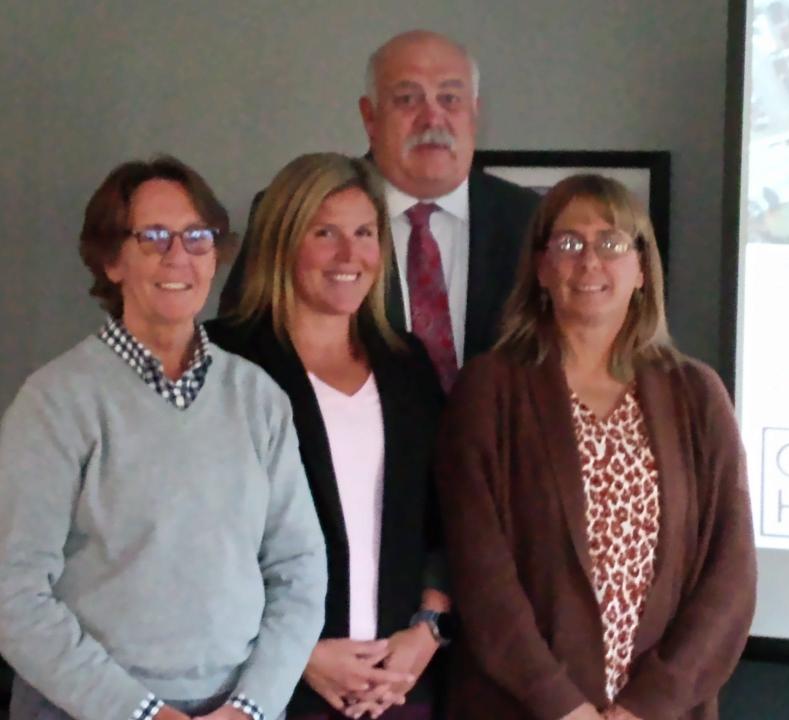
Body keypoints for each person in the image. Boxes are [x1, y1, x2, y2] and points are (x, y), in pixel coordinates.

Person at [0, 157, 327, 720]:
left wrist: (251, 708)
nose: (179, 256)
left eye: (197, 236)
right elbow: (13, 595)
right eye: (152, 237)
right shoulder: (55, 402)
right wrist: (143, 714)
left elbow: (299, 571)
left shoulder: (258, 398)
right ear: (111, 260)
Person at [435, 175, 757, 720]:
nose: (590, 261)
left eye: (611, 243)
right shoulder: (489, 390)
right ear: (540, 268)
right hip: (519, 707)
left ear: (640, 269)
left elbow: (730, 574)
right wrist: (563, 706)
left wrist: (646, 706)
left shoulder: (696, 395)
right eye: (568, 243)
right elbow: (480, 572)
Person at [207, 153, 450, 720]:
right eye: (325, 233)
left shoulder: (407, 364)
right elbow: (199, 544)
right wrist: (298, 655)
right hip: (270, 691)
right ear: (283, 243)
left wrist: (429, 630)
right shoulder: (224, 359)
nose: (350, 255)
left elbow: (445, 517)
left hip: (399, 691)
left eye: (365, 233)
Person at [219, 30, 540, 389]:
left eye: (450, 98)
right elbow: (237, 357)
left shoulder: (532, 220)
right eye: (407, 99)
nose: (432, 118)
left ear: (475, 114)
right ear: (369, 117)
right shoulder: (294, 210)